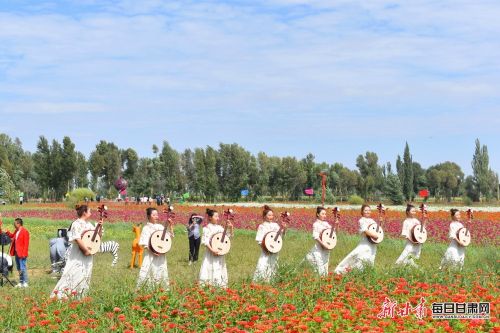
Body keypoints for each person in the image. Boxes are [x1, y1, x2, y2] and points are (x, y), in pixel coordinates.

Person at [51, 205, 102, 299]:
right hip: (78, 254)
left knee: (85, 275)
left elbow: (96, 238)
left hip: (88, 255)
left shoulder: (89, 224)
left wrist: (100, 227)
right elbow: (77, 238)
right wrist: (86, 250)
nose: (91, 213)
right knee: (73, 272)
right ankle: (63, 297)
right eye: (89, 211)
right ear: (84, 212)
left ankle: (80, 297)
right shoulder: (76, 224)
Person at [334, 204, 379, 274]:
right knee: (361, 257)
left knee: (370, 259)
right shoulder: (362, 220)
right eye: (366, 210)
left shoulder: (372, 220)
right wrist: (374, 236)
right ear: (362, 212)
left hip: (373, 244)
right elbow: (365, 231)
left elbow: (378, 230)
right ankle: (343, 271)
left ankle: (367, 274)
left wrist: (381, 222)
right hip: (366, 243)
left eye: (369, 210)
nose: (368, 212)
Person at [136, 207, 173, 290]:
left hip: (161, 255)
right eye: (154, 215)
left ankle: (161, 291)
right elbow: (145, 243)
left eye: (157, 215)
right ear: (149, 216)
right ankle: (147, 292)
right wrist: (153, 252)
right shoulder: (146, 228)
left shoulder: (160, 227)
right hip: (150, 255)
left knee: (161, 272)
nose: (156, 216)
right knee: (149, 273)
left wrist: (170, 225)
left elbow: (168, 237)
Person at [199, 208, 233, 288]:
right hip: (211, 253)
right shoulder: (206, 228)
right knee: (210, 267)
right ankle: (209, 285)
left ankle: (219, 285)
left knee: (219, 267)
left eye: (218, 216)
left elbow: (226, 238)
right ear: (210, 217)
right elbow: (205, 241)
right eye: (216, 216)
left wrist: (230, 228)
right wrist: (212, 250)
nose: (218, 218)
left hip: (219, 253)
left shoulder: (220, 228)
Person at [253, 205, 286, 282]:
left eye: (272, 215)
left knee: (273, 265)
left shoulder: (276, 225)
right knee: (263, 265)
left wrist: (284, 228)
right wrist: (265, 249)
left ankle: (272, 281)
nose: (271, 217)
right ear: (264, 216)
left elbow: (280, 237)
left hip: (274, 250)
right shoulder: (262, 226)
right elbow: (260, 240)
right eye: (269, 215)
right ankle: (260, 281)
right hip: (265, 251)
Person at [0, 214, 30, 287]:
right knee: (19, 267)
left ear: (18, 223)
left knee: (23, 268)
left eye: (14, 223)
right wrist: (7, 232)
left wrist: (24, 253)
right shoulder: (17, 231)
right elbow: (12, 236)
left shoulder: (25, 231)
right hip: (16, 252)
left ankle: (25, 282)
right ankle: (21, 282)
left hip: (22, 253)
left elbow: (26, 244)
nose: (14, 225)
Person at [305, 207, 333, 276]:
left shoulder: (326, 224)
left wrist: (336, 224)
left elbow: (332, 234)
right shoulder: (316, 224)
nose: (324, 215)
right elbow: (316, 237)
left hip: (326, 248)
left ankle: (325, 281)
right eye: (322, 214)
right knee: (319, 265)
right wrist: (323, 244)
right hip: (319, 248)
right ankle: (320, 280)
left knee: (325, 265)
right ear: (318, 214)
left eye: (325, 214)